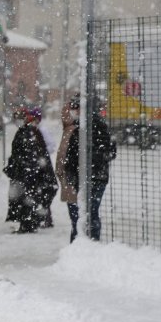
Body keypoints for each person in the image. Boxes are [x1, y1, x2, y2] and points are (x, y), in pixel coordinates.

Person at [56, 95, 116, 243]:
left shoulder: (83, 128)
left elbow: (74, 155)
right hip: (97, 177)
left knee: (79, 215)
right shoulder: (98, 125)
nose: (73, 111)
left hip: (82, 178)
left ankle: (81, 243)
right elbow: (110, 152)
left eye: (75, 108)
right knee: (91, 212)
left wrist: (71, 171)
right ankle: (90, 242)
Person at [4, 107, 57, 233]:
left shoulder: (29, 132)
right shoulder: (29, 131)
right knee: (31, 197)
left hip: (28, 173)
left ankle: (29, 223)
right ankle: (34, 221)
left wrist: (22, 169)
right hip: (29, 173)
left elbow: (28, 155)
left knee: (28, 197)